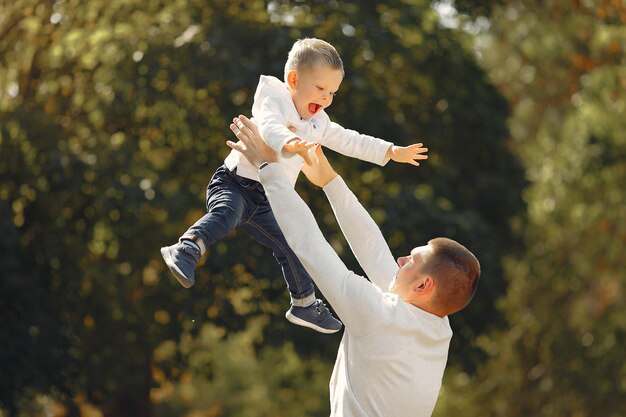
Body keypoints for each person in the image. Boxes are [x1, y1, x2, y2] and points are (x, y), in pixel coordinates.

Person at [161, 37, 427, 334]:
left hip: (268, 200)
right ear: (293, 79)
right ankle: (186, 249)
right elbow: (270, 126)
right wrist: (290, 143)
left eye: (332, 93)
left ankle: (304, 303)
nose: (326, 99)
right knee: (227, 214)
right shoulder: (274, 99)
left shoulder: (319, 122)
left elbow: (349, 139)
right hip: (236, 183)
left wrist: (390, 151)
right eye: (320, 89)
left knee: (293, 246)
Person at [227, 114, 481, 417]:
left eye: (412, 260)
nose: (400, 260)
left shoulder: (381, 315)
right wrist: (329, 181)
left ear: (424, 285)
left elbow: (309, 244)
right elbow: (373, 251)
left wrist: (267, 168)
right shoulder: (437, 326)